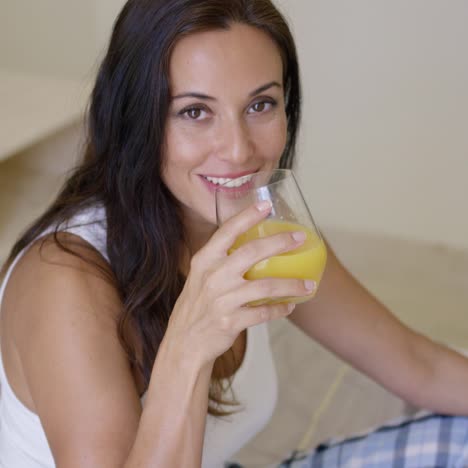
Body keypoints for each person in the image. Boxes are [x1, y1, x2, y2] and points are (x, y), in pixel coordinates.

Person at [0, 1, 467, 467]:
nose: (239, 149)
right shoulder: (65, 282)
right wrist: (188, 350)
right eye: (195, 112)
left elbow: (418, 365)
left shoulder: (262, 225)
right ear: (135, 119)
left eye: (260, 105)